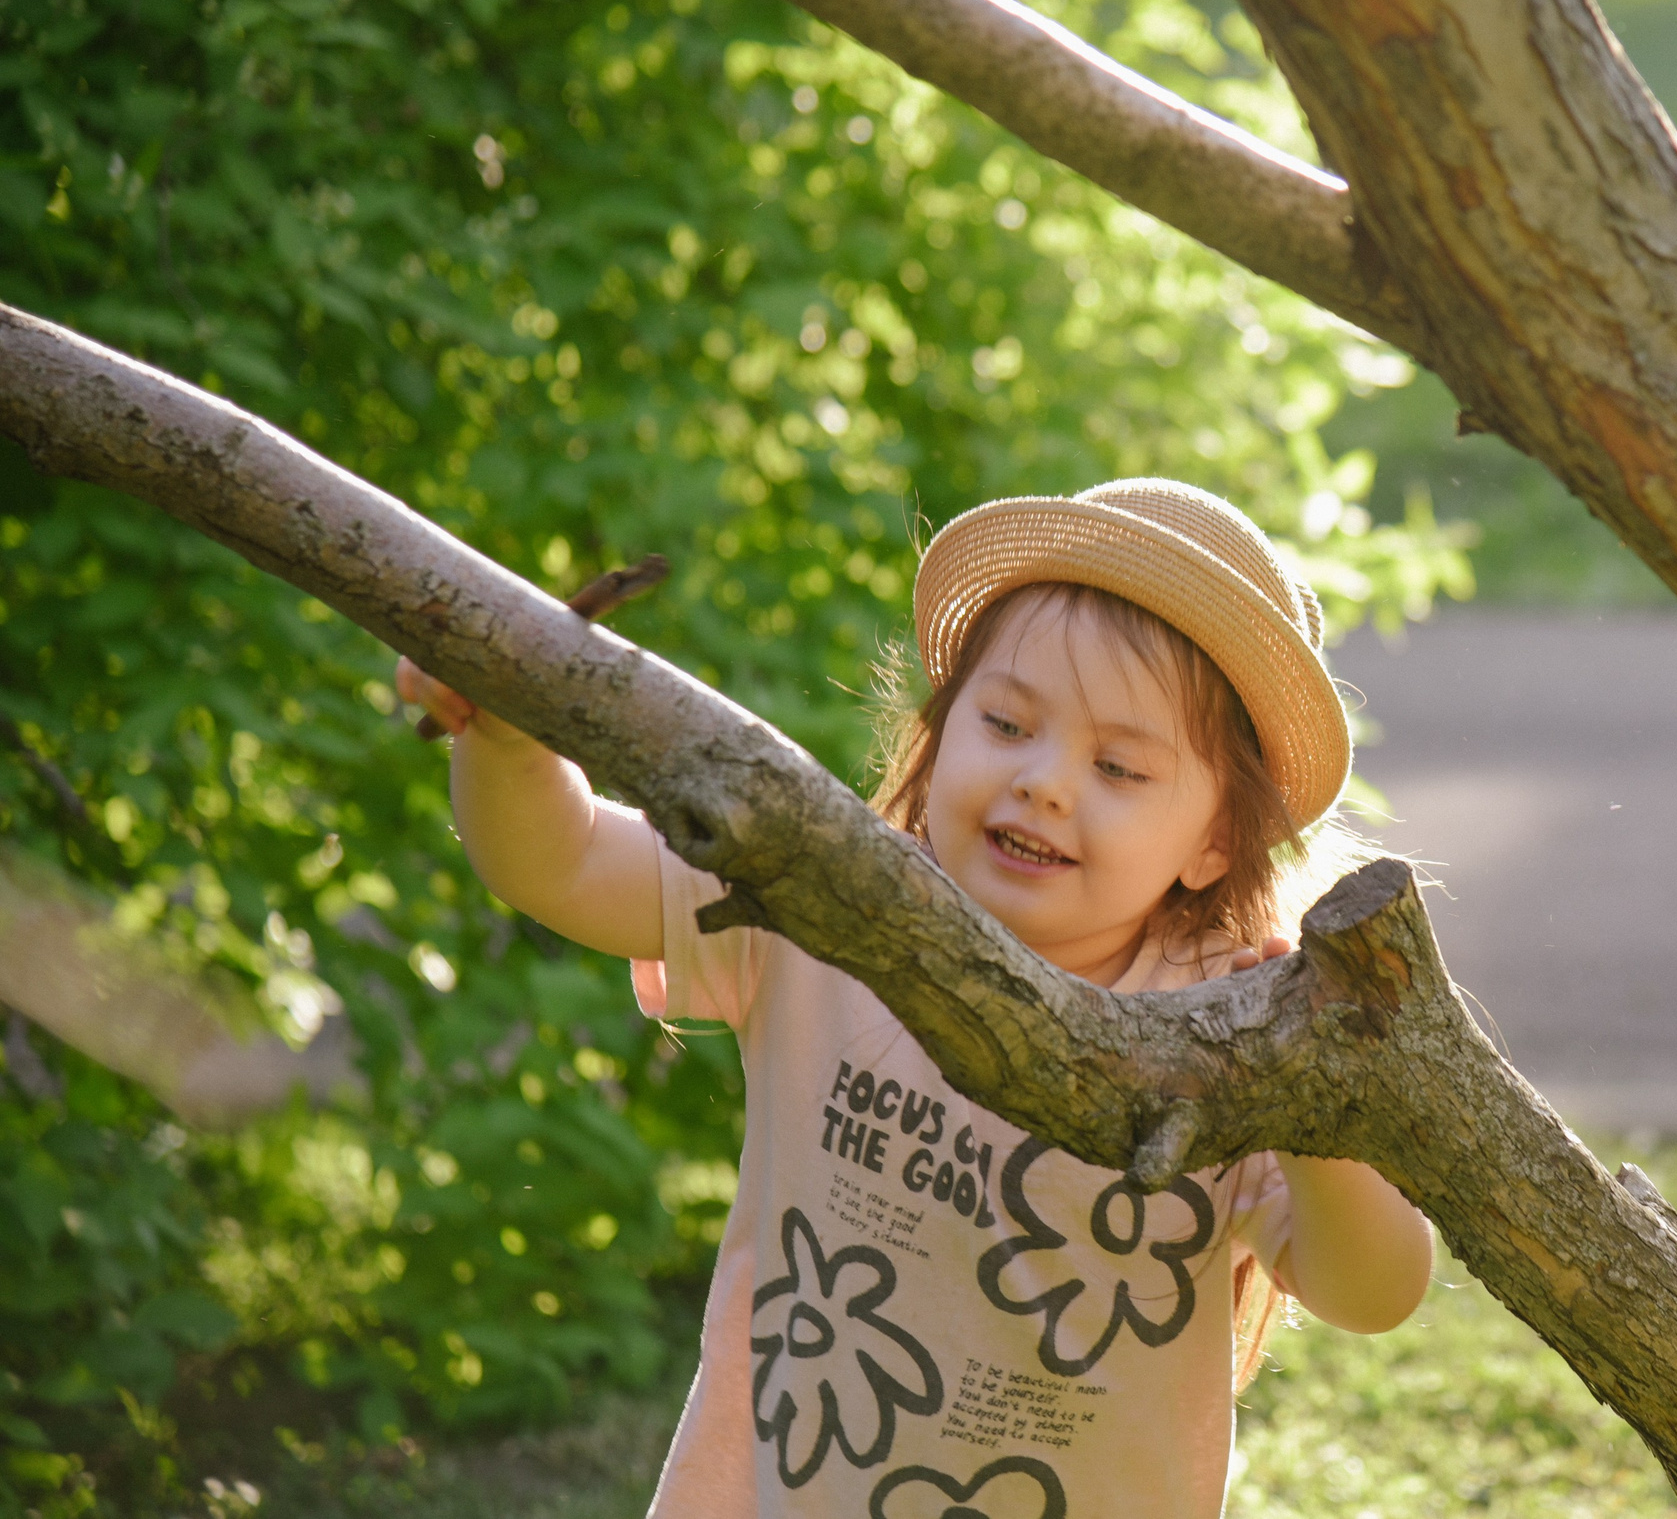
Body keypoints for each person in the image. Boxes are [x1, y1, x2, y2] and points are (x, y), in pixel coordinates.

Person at [397, 477, 1434, 1518]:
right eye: (1005, 721)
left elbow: (1374, 1290)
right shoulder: (831, 899)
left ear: (1214, 841)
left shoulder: (1223, 1017)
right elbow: (566, 863)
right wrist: (508, 734)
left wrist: (1314, 1107)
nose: (1045, 780)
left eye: (1119, 765)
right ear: (941, 731)